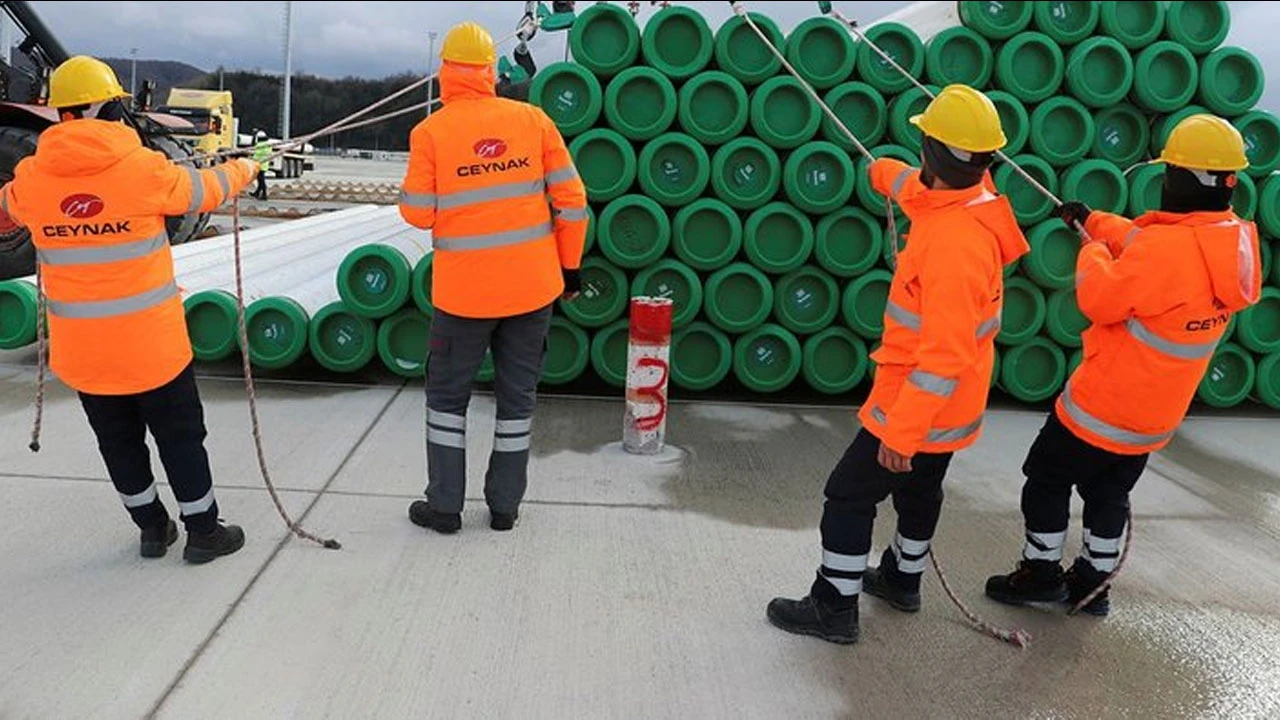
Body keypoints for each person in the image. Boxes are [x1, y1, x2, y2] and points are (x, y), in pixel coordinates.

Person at [766, 85, 1029, 644]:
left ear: (932, 151)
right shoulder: (972, 198)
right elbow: (920, 189)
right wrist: (883, 172)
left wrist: (902, 432)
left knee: (848, 494)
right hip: (952, 407)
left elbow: (944, 353)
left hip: (918, 403)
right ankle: (902, 580)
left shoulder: (956, 246)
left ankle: (833, 605)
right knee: (919, 492)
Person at [984, 114, 1262, 616]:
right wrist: (1093, 221)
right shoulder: (1232, 242)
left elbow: (1101, 297)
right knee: (1108, 495)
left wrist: (1090, 251)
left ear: (1183, 178)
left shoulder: (1166, 252)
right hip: (1153, 420)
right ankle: (1093, 587)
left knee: (1045, 478)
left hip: (1101, 408)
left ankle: (1041, 573)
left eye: (1169, 172)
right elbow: (1148, 245)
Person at [0, 56, 259, 563]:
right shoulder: (143, 169)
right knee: (181, 438)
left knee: (119, 445)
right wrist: (247, 166)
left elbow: (9, 203)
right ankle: (204, 532)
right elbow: (205, 191)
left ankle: (152, 529)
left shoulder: (32, 179)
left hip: (85, 357)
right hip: (153, 350)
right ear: (109, 109)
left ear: (62, 116)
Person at [398, 21, 588, 534]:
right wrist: (569, 268)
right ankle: (504, 508)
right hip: (532, 291)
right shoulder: (534, 121)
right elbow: (573, 204)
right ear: (489, 72)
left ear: (445, 74)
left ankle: (444, 508)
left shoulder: (430, 132)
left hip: (464, 297)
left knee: (446, 402)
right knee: (517, 400)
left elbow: (415, 213)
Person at [251, 130, 271, 200]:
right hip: (264, 164)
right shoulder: (268, 144)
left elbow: (256, 154)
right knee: (260, 180)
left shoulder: (260, 145)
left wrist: (252, 159)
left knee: (261, 180)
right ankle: (257, 193)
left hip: (259, 164)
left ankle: (264, 195)